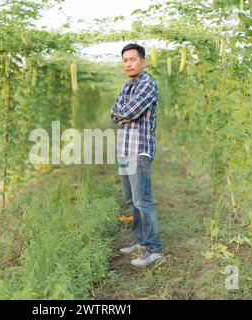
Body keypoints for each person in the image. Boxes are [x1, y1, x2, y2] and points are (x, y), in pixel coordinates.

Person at [111, 43, 164, 268]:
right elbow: (115, 114)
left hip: (139, 151)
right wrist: (122, 114)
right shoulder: (127, 86)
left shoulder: (148, 85)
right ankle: (141, 241)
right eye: (125, 60)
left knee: (143, 201)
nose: (128, 63)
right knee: (132, 200)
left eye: (133, 59)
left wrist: (123, 114)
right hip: (124, 150)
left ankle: (154, 250)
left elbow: (129, 112)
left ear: (143, 61)